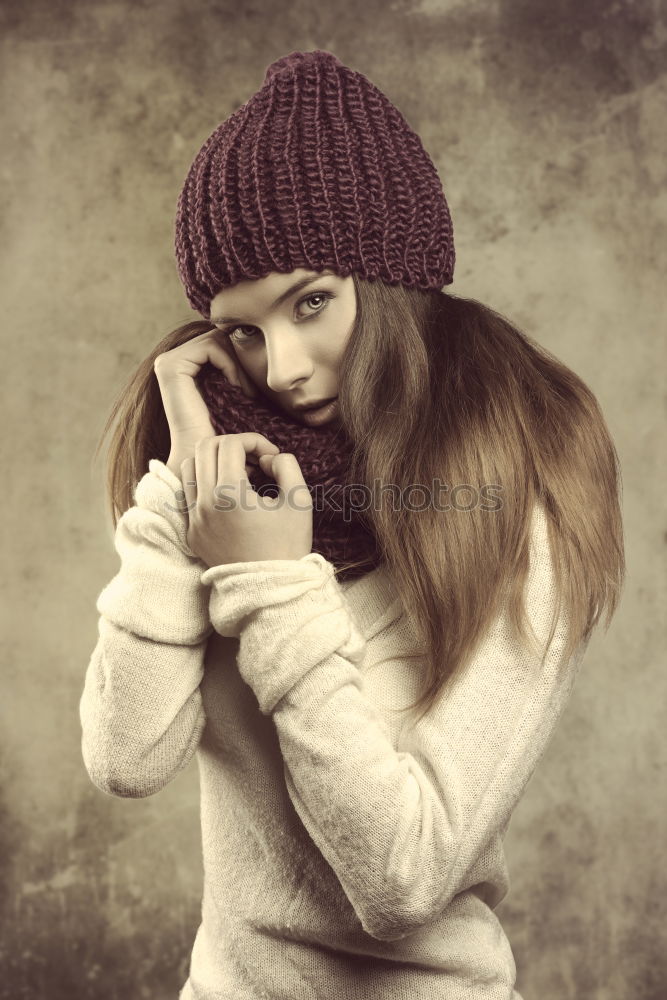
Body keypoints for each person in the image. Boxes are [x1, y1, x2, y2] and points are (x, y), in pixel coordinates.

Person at [79, 50, 625, 1000]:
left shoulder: (517, 510)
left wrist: (272, 582)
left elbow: (403, 879)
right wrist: (179, 486)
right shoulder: (225, 485)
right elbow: (126, 760)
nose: (282, 366)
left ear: (397, 286)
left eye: (312, 304)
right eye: (242, 331)